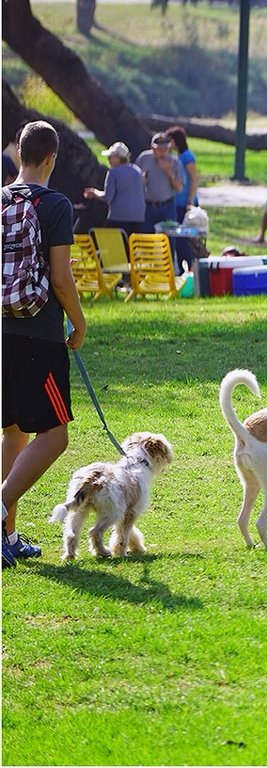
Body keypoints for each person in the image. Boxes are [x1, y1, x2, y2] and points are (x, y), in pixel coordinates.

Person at [2, 121, 87, 568]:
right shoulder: (53, 205)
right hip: (39, 332)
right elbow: (59, 277)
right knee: (54, 434)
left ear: (19, 154)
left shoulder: (0, 199)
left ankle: (9, 537)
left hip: (2, 330)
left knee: (12, 432)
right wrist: (79, 322)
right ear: (51, 158)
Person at [135, 132, 185, 271]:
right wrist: (142, 181)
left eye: (165, 148)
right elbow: (136, 180)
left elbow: (180, 187)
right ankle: (147, 271)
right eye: (159, 149)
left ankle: (169, 271)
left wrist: (169, 172)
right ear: (152, 147)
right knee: (147, 239)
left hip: (166, 205)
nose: (162, 152)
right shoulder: (144, 159)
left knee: (168, 240)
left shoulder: (174, 162)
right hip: (148, 205)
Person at [82, 141, 145, 235]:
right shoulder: (137, 170)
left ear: (118, 157)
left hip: (119, 217)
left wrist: (94, 192)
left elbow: (108, 197)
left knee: (118, 247)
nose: (108, 159)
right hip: (139, 217)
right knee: (133, 246)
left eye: (110, 157)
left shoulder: (113, 173)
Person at [164, 125, 199, 273]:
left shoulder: (187, 157)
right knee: (177, 238)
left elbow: (194, 179)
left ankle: (190, 266)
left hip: (185, 202)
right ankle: (181, 267)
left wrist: (190, 201)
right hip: (175, 202)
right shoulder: (175, 157)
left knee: (185, 238)